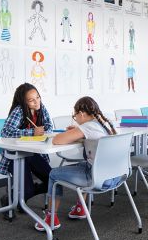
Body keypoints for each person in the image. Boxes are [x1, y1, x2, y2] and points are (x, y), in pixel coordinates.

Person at [35, 96, 119, 231]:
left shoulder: (88, 126)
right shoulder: (105, 123)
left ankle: (51, 218)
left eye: (75, 116)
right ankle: (80, 209)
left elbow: (57, 140)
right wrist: (77, 130)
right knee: (82, 165)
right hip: (115, 175)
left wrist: (76, 131)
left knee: (53, 173)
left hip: (97, 179)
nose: (76, 119)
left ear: (81, 114)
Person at [0, 83, 53, 215]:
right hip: (15, 155)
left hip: (32, 153)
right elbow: (6, 132)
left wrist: (45, 131)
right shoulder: (19, 110)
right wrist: (31, 132)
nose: (36, 102)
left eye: (38, 97)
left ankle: (18, 195)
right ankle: (14, 197)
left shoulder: (41, 108)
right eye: (31, 100)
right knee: (26, 190)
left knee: (53, 179)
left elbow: (49, 126)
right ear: (24, 102)